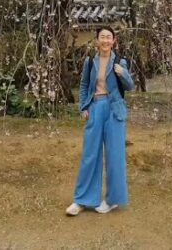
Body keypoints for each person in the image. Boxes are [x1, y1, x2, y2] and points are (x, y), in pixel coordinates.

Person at [66, 27, 133, 216]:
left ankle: (113, 200)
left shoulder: (121, 61)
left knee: (115, 156)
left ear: (113, 41)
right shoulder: (90, 61)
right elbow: (84, 84)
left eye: (108, 37)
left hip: (115, 110)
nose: (105, 40)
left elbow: (130, 86)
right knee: (90, 154)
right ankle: (82, 200)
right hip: (96, 106)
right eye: (102, 37)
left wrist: (122, 73)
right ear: (97, 41)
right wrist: (83, 107)